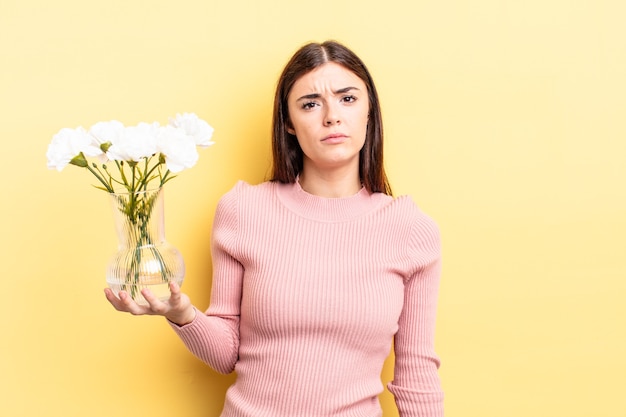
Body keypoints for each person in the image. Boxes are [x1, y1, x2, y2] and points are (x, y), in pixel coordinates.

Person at [105, 40, 444, 417]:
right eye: (310, 103)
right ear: (288, 123)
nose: (331, 116)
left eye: (347, 99)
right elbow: (226, 354)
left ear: (369, 112)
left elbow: (416, 374)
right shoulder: (243, 210)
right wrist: (182, 313)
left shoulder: (411, 229)